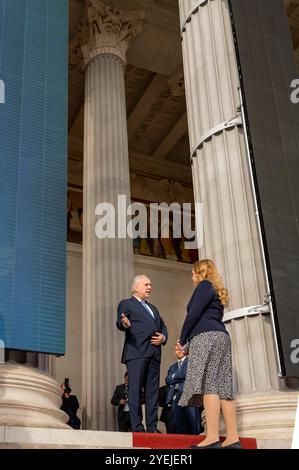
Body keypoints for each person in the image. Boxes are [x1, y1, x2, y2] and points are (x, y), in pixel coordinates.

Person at [178, 259, 241, 449]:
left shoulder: (204, 285)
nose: (191, 278)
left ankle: (212, 437)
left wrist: (182, 338)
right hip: (221, 337)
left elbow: (194, 314)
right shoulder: (214, 288)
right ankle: (232, 439)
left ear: (199, 272)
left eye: (192, 273)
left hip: (206, 338)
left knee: (209, 385)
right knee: (223, 387)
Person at [116, 274, 168, 433]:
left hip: (154, 354)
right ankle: (137, 427)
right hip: (136, 352)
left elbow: (163, 325)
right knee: (135, 391)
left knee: (152, 393)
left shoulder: (153, 308)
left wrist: (163, 337)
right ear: (135, 287)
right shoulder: (127, 303)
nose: (149, 287)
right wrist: (124, 323)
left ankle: (152, 427)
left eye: (150, 285)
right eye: (146, 284)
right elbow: (120, 321)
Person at [165, 344, 202, 435]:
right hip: (176, 396)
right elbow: (167, 380)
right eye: (176, 349)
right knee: (178, 422)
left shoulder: (191, 361)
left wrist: (174, 376)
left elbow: (186, 374)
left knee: (193, 420)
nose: (179, 351)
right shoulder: (172, 366)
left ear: (186, 349)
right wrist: (178, 376)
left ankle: (197, 440)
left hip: (190, 394)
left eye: (181, 349)